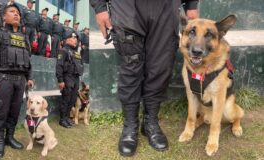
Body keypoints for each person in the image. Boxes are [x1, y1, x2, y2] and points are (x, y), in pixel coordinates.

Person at [90, 0, 199, 157]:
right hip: (126, 6)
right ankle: (130, 126)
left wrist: (191, 5)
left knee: (161, 67)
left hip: (166, 6)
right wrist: (99, 7)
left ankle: (150, 123)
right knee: (130, 66)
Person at [0, 4, 34, 158]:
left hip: (20, 81)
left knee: (15, 111)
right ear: (4, 17)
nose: (16, 14)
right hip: (3, 79)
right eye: (12, 12)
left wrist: (29, 77)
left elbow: (28, 60)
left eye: (18, 13)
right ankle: (0, 141)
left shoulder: (25, 37)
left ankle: (9, 138)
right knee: (1, 111)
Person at [56, 28, 84, 128]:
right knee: (66, 99)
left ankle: (67, 117)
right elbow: (59, 66)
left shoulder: (76, 52)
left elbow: (80, 65)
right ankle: (62, 119)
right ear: (67, 40)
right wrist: (60, 80)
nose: (75, 40)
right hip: (67, 77)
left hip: (76, 78)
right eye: (73, 38)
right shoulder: (63, 51)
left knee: (72, 100)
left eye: (76, 38)